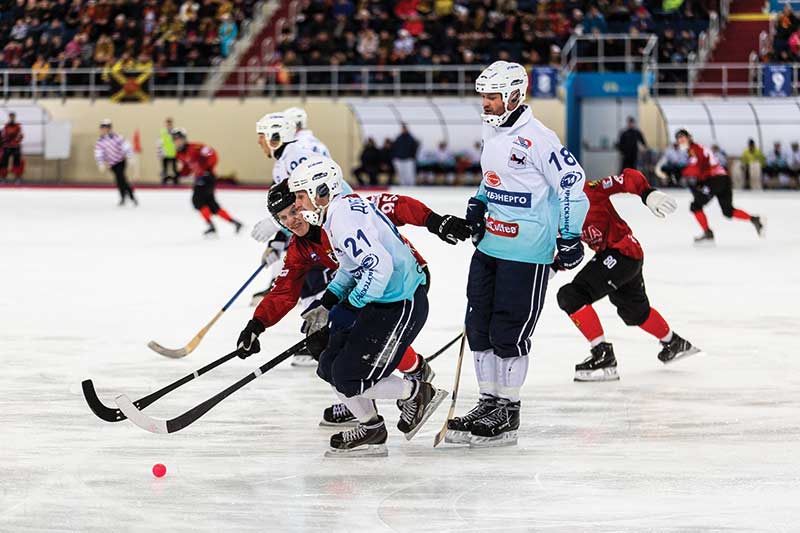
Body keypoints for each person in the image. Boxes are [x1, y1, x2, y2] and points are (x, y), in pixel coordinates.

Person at [236, 179, 469, 424]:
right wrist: (256, 325)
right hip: (359, 288)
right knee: (324, 342)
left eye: (294, 211)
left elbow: (396, 205)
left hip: (399, 283)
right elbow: (284, 290)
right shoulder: (300, 246)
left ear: (306, 200)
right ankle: (357, 397)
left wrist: (434, 221)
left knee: (367, 340)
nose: (291, 221)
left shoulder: (341, 211)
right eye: (283, 218)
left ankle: (415, 370)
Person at [447, 61, 589, 447]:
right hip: (489, 246)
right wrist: (478, 204)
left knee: (508, 332)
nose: (486, 104)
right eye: (484, 97)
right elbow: (493, 178)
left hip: (527, 251)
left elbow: (573, 187)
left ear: (514, 95)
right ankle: (488, 402)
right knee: (479, 328)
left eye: (492, 97)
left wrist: (569, 236)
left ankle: (507, 411)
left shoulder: (539, 138)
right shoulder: (490, 129)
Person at [288, 157, 447, 456]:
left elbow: (380, 267)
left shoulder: (343, 215)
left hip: (401, 304)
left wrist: (348, 306)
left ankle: (418, 392)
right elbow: (351, 267)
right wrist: (327, 302)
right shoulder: (336, 213)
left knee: (349, 376)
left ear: (321, 190)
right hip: (383, 300)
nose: (297, 205)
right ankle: (371, 428)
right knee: (327, 366)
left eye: (300, 196)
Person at [556, 168, 700, 381]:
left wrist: (647, 193)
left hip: (621, 252)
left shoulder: (588, 191)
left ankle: (603, 355)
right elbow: (572, 250)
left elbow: (628, 178)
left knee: (571, 295)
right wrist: (554, 265)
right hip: (625, 256)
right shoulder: (553, 212)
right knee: (635, 312)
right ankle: (674, 343)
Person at [676, 129, 763, 243]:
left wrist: (680, 173)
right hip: (722, 179)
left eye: (683, 137)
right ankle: (754, 219)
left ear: (689, 138)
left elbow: (697, 168)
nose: (681, 140)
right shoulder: (695, 149)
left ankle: (707, 232)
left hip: (715, 180)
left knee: (696, 205)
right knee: (728, 211)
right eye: (679, 139)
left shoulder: (695, 149)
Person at [172, 128, 243, 236]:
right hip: (200, 178)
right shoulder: (179, 154)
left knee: (197, 201)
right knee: (212, 205)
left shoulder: (195, 147)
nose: (177, 142)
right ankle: (235, 223)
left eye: (179, 139)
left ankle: (211, 226)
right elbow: (188, 167)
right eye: (175, 140)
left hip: (207, 177)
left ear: (184, 139)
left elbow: (213, 154)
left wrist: (208, 169)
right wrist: (179, 174)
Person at [94, 119, 138, 206]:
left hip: (120, 161)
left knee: (121, 178)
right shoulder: (100, 141)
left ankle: (128, 197)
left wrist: (130, 156)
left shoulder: (117, 137)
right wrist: (100, 163)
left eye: (106, 127)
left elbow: (126, 146)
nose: (104, 129)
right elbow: (99, 152)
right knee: (120, 180)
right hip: (111, 164)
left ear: (109, 128)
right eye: (102, 128)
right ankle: (127, 197)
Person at [0, 111, 24, 183]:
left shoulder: (18, 126)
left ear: (14, 117)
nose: (12, 118)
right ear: (9, 117)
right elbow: (3, 135)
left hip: (15, 147)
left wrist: (15, 141)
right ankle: (3, 178)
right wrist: (5, 140)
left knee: (17, 163)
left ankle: (17, 178)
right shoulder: (6, 126)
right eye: (11, 117)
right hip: (7, 147)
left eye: (13, 117)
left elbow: (20, 136)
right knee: (4, 163)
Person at [158, 117, 178, 184]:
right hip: (165, 154)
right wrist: (160, 152)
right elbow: (160, 143)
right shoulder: (163, 132)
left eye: (170, 123)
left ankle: (176, 181)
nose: (169, 125)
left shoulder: (175, 132)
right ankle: (164, 181)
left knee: (174, 169)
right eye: (167, 123)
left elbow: (177, 142)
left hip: (173, 153)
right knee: (165, 169)